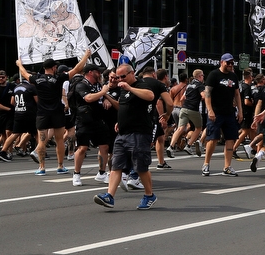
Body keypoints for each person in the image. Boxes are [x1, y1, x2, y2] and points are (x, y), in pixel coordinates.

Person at [93, 64, 158, 210]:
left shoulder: (141, 84)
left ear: (131, 73)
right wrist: (120, 121)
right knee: (116, 165)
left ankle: (149, 195)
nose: (120, 79)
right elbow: (124, 107)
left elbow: (150, 96)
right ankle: (110, 196)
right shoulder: (123, 89)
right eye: (118, 77)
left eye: (123, 76)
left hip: (139, 132)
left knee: (141, 166)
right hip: (123, 132)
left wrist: (130, 88)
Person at [16, 50, 91, 175]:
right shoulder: (59, 78)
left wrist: (19, 64)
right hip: (57, 112)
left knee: (41, 140)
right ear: (54, 67)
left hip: (42, 114)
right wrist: (86, 56)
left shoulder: (37, 78)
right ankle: (60, 166)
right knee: (59, 140)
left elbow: (24, 74)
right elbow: (77, 69)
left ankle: (41, 168)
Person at [202, 53, 244, 177]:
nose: (231, 65)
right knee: (212, 139)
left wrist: (240, 111)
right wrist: (210, 110)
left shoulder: (233, 76)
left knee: (230, 139)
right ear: (222, 62)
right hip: (216, 112)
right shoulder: (214, 75)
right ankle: (206, 164)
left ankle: (227, 166)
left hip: (229, 113)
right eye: (228, 63)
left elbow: (237, 94)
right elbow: (207, 93)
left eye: (232, 63)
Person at [69, 65, 111, 186]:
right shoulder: (81, 84)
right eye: (98, 72)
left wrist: (105, 98)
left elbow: (100, 97)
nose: (100, 74)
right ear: (91, 72)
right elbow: (88, 98)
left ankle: (102, 173)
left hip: (98, 120)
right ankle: (76, 174)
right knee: (82, 148)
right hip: (84, 120)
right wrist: (103, 92)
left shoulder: (98, 85)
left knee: (104, 146)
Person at [168, 69, 205, 156]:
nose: (203, 77)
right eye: (203, 75)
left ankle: (171, 147)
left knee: (180, 128)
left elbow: (182, 98)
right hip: (193, 109)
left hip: (183, 109)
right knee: (199, 128)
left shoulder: (189, 85)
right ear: (199, 76)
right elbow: (203, 96)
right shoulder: (200, 85)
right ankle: (189, 145)